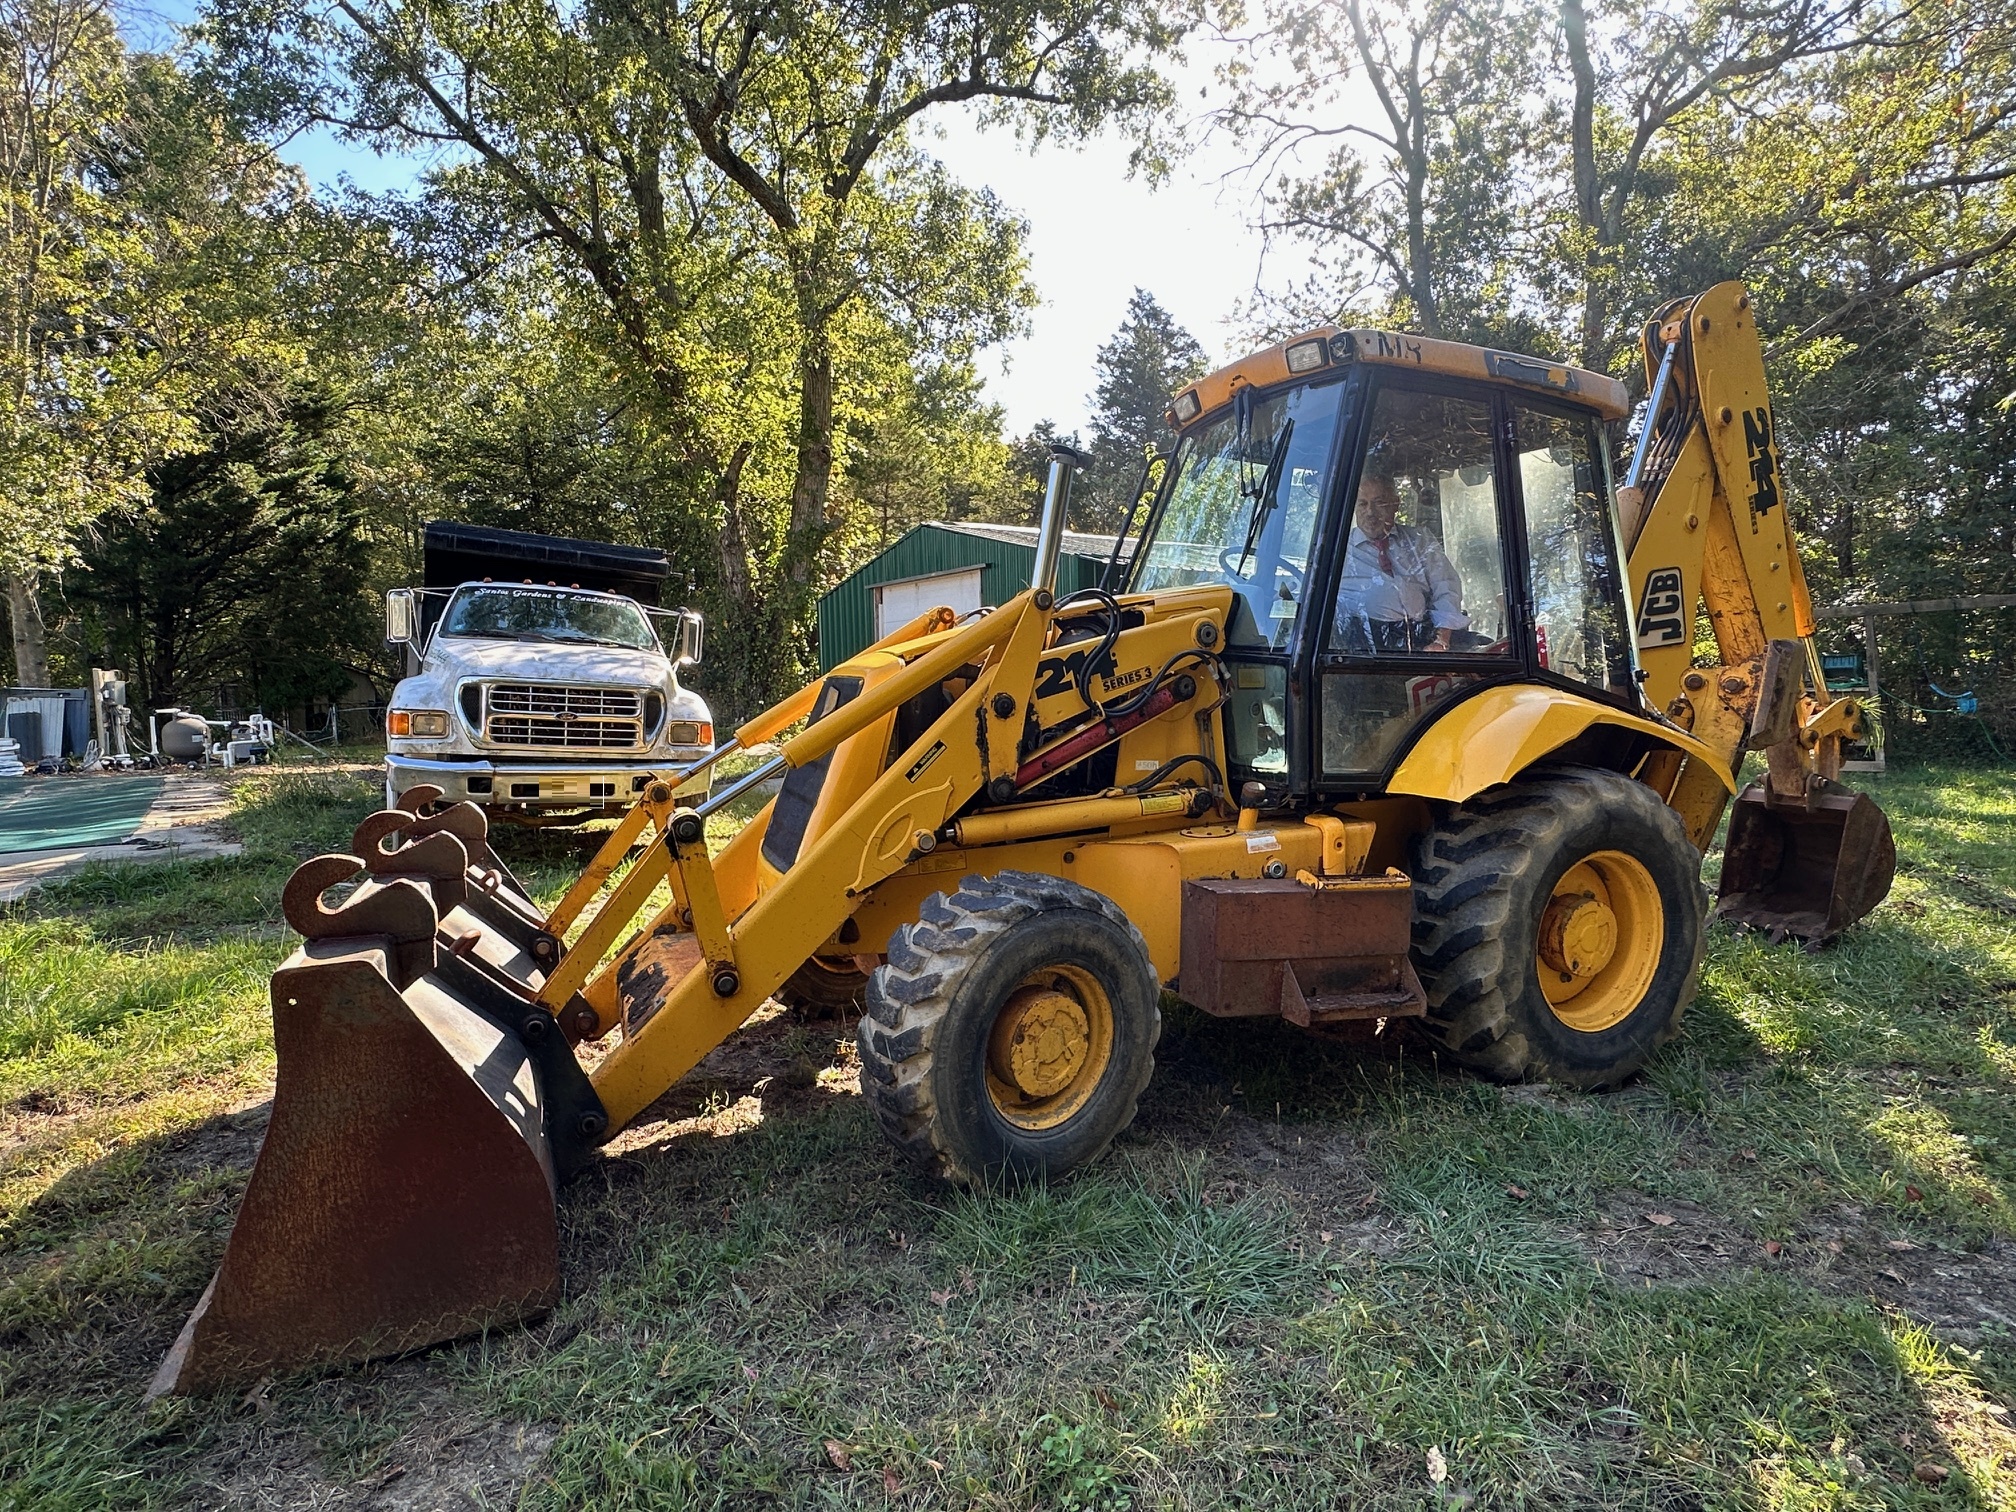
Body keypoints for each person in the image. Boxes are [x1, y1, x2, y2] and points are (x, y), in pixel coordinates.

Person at [1332, 470, 1467, 652]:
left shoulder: (1420, 540)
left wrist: (1441, 640)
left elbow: (1447, 588)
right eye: (1362, 504)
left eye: (1379, 503)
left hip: (1422, 643)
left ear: (1395, 504)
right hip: (1362, 650)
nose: (1370, 512)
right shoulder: (1338, 551)